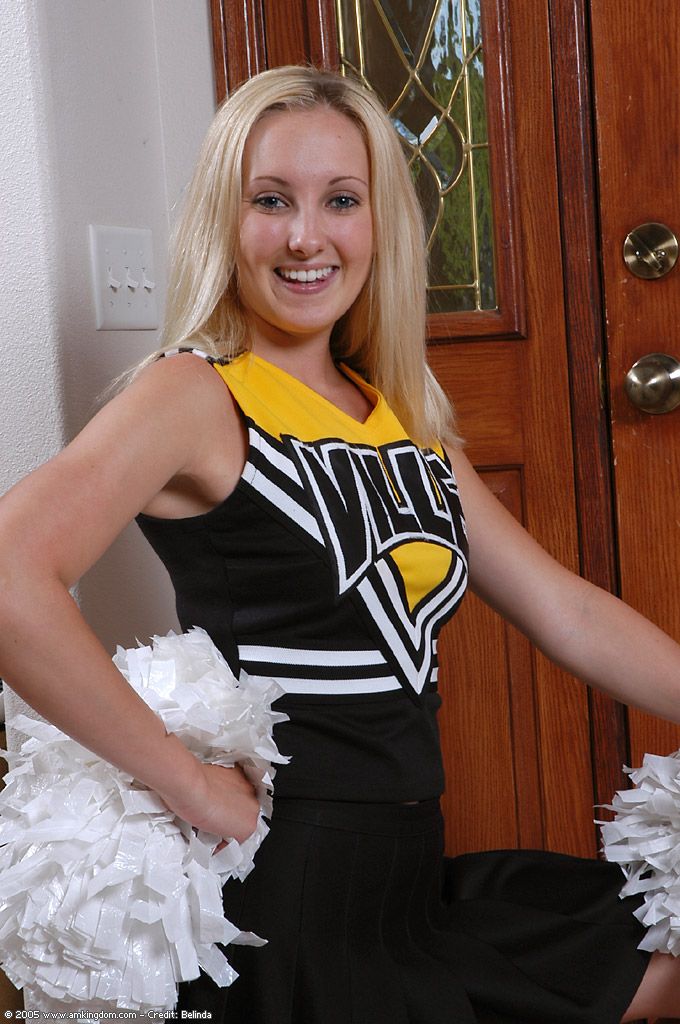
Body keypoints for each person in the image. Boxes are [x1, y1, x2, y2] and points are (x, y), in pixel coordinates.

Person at [1, 64, 680, 1024]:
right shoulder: (195, 394)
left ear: (380, 225)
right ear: (225, 220)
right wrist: (191, 786)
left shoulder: (401, 418)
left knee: (649, 958)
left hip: (406, 880)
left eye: (341, 200)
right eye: (271, 200)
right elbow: (10, 574)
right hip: (291, 891)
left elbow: (563, 608)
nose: (305, 236)